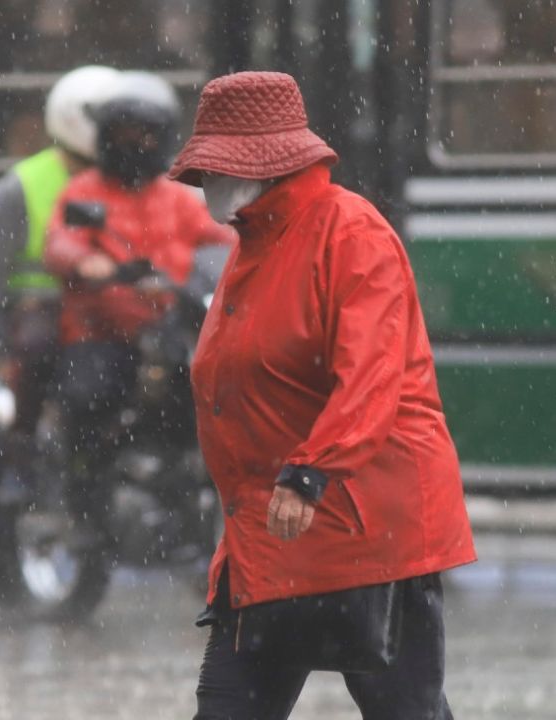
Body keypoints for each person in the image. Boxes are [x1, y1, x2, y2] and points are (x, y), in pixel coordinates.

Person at [168, 71, 476, 719]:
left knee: (405, 710)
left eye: (220, 166)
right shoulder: (256, 243)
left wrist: (311, 471)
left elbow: (370, 375)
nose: (210, 182)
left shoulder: (349, 233)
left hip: (366, 527)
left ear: (267, 164)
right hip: (271, 534)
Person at [43, 71, 234, 534]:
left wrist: (252, 249)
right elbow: (60, 241)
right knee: (89, 399)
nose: (136, 144)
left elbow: (225, 237)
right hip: (102, 332)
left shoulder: (178, 197)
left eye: (146, 134)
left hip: (171, 330)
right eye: (125, 134)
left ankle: (194, 495)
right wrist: (86, 262)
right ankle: (85, 506)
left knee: (216, 400)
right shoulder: (84, 191)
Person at [0, 65, 120, 436]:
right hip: (40, 319)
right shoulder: (20, 186)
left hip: (109, 316)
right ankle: (25, 447)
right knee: (34, 366)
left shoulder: (130, 180)